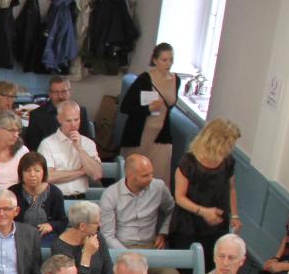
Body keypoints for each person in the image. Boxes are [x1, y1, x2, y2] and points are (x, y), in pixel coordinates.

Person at [168, 117, 243, 262]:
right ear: (215, 142)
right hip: (189, 223)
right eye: (228, 145)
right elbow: (180, 197)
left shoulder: (228, 161)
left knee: (213, 261)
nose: (230, 149)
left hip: (217, 222)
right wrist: (203, 211)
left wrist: (234, 215)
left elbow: (231, 188)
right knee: (187, 265)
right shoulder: (189, 162)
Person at [118, 42, 180, 181]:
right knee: (135, 175)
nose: (168, 63)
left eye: (171, 59)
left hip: (162, 134)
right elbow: (125, 107)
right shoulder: (144, 80)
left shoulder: (176, 80)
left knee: (159, 176)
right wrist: (148, 108)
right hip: (141, 133)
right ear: (155, 60)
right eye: (164, 60)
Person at [98, 154, 174, 256]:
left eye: (151, 173)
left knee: (171, 273)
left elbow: (172, 210)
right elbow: (107, 236)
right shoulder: (110, 195)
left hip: (151, 247)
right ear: (130, 176)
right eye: (145, 175)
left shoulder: (159, 187)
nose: (151, 178)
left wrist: (163, 233)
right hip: (122, 248)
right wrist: (128, 254)